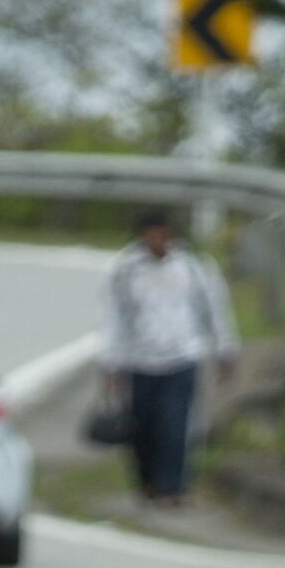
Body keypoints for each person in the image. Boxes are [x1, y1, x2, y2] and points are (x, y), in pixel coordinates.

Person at [97, 207, 237, 508]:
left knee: (175, 426)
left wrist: (226, 350)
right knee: (143, 428)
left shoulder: (193, 266)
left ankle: (173, 487)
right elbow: (112, 320)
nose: (156, 239)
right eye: (150, 232)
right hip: (139, 361)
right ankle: (147, 482)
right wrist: (110, 365)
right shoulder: (125, 270)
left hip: (182, 357)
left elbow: (215, 309)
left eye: (161, 232)